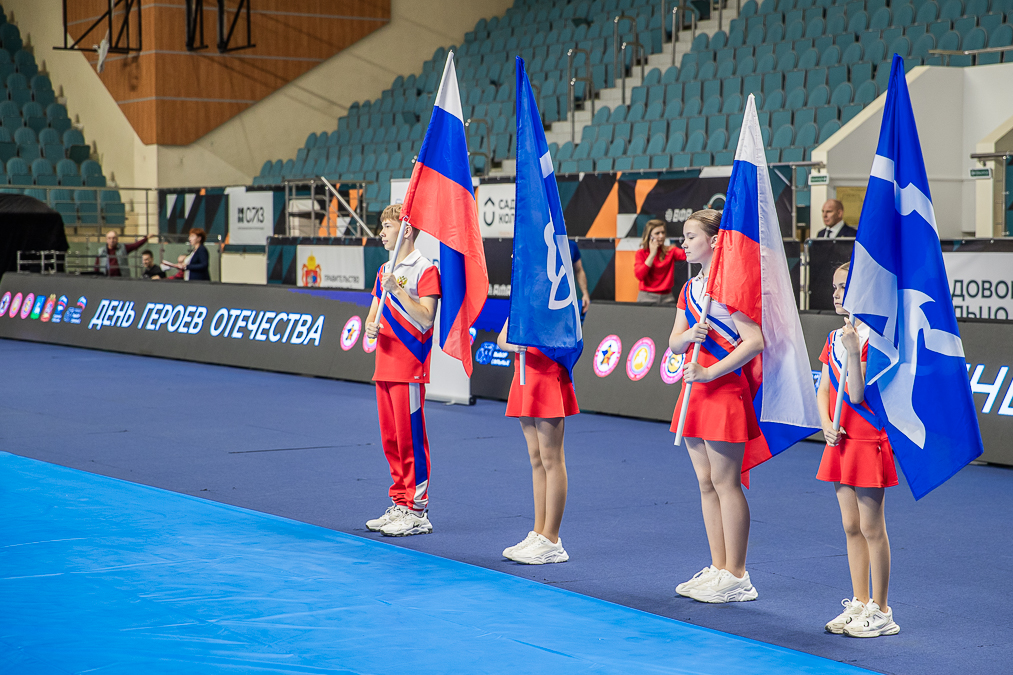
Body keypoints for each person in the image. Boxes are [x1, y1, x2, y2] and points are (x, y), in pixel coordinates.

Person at [667, 209, 765, 603]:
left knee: (727, 483)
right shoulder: (690, 288)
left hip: (722, 392)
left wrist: (710, 373)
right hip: (694, 392)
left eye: (691, 236)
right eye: (684, 236)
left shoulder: (730, 286)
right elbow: (674, 342)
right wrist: (690, 333)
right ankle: (719, 566)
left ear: (714, 240)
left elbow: (754, 341)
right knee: (706, 484)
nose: (684, 243)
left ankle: (738, 574)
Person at [816, 262, 900, 638]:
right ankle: (860, 601)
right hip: (840, 440)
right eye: (834, 288)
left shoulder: (875, 340)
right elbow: (823, 390)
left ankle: (882, 611)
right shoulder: (835, 337)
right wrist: (825, 425)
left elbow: (855, 393)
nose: (836, 294)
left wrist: (853, 352)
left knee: (871, 527)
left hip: (868, 440)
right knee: (851, 526)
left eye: (843, 288)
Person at [363, 204, 441, 537]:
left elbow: (426, 318)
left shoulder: (426, 270)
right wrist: (370, 325)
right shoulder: (384, 270)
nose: (381, 232)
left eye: (387, 226)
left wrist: (397, 290)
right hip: (384, 365)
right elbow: (372, 314)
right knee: (391, 441)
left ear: (405, 230)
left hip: (409, 367)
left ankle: (417, 510)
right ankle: (399, 502)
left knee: (411, 441)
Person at [496, 319, 579, 565]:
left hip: (548, 374)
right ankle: (538, 533)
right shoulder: (521, 299)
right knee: (536, 458)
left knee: (552, 459)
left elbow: (568, 340)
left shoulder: (555, 299)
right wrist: (514, 345)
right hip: (523, 375)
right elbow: (502, 338)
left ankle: (552, 540)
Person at [634, 218, 687, 304]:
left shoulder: (670, 251)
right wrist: (652, 254)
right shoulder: (641, 253)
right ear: (649, 236)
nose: (661, 236)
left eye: (663, 232)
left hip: (667, 297)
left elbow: (687, 255)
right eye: (657, 233)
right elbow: (639, 275)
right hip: (646, 297)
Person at [568, 239, 591, 320]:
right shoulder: (541, 244)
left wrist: (585, 293)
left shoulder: (571, 245)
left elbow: (579, 270)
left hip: (567, 298)